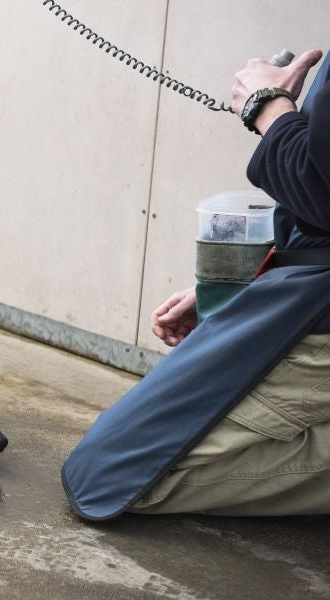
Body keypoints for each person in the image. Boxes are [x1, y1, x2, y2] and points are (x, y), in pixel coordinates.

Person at [132, 48, 330, 515]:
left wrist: (267, 106)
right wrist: (235, 289)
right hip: (304, 287)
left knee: (131, 479)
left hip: (316, 304)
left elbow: (322, 193)